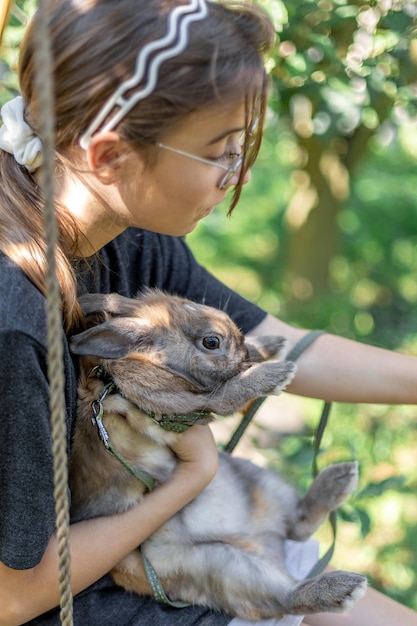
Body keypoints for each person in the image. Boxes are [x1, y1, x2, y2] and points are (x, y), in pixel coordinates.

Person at [0, 1, 416, 625]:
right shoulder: (15, 321)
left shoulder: (119, 230)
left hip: (156, 539)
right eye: (220, 151)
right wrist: (190, 479)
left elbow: (278, 343)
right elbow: (13, 596)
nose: (234, 174)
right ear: (111, 155)